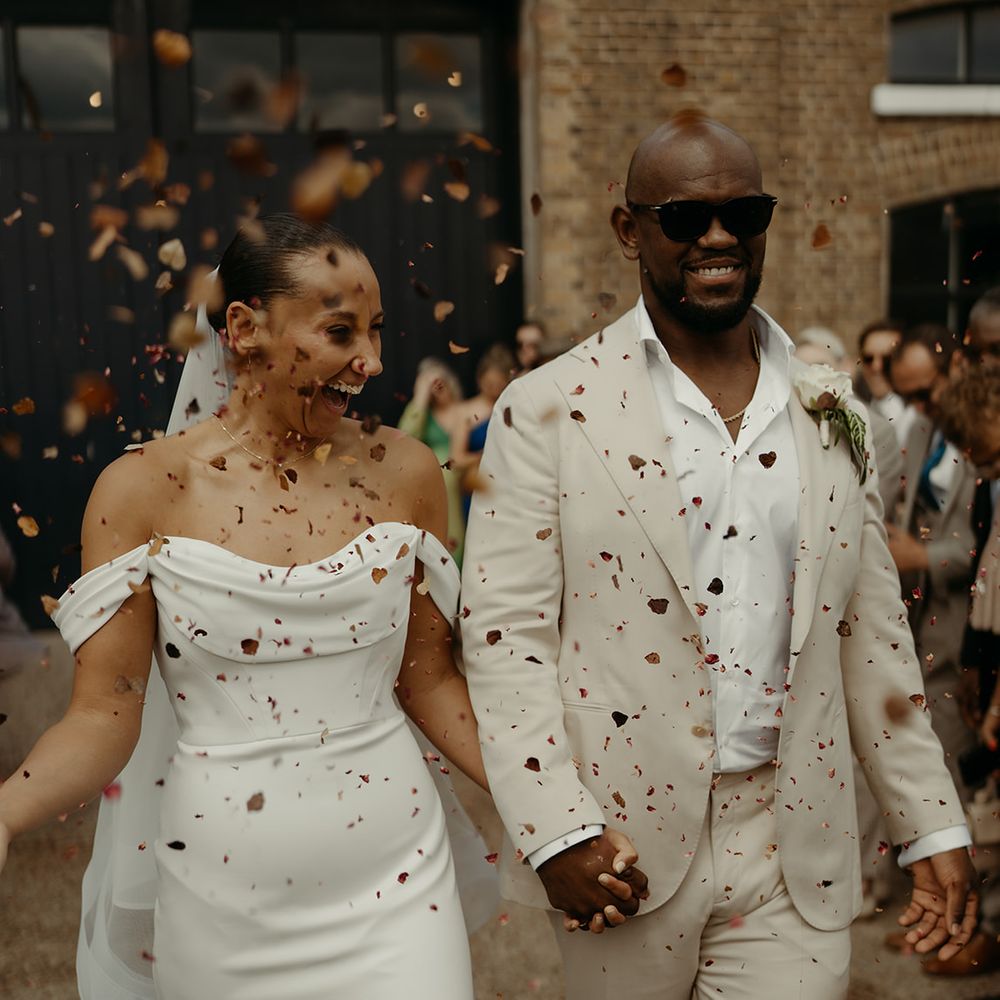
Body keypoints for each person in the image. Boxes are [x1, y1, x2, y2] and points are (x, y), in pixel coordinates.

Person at [0, 216, 621, 999]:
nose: (373, 360)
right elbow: (104, 713)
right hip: (221, 899)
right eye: (341, 331)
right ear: (243, 328)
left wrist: (558, 816)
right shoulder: (142, 491)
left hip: (399, 882)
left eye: (378, 331)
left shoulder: (405, 471)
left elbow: (429, 682)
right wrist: (5, 814)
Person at [461, 115, 977, 1000]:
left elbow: (872, 633)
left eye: (745, 211)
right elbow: (507, 641)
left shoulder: (828, 408)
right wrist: (555, 833)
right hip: (617, 847)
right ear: (630, 230)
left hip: (792, 846)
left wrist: (929, 824)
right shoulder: (546, 406)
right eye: (684, 217)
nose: (718, 237)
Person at [886, 324, 977, 795]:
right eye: (909, 397)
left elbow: (984, 548)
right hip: (922, 627)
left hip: (970, 633)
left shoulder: (988, 421)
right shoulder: (922, 425)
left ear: (957, 365)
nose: (920, 406)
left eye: (926, 391)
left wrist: (921, 554)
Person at [398, 357, 467, 563]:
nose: (438, 388)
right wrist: (421, 397)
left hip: (464, 482)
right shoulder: (424, 416)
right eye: (432, 385)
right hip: (436, 485)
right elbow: (404, 436)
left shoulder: (465, 409)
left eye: (440, 381)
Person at [450, 344, 514, 517]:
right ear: (479, 380)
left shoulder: (513, 407)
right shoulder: (466, 411)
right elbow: (456, 459)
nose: (493, 389)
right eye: (489, 384)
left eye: (498, 385)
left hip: (511, 484)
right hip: (478, 484)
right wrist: (486, 454)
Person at [854, 319, 913, 445]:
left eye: (887, 359)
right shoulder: (854, 406)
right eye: (869, 359)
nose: (877, 367)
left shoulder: (919, 417)